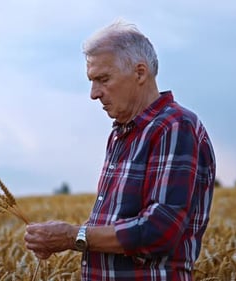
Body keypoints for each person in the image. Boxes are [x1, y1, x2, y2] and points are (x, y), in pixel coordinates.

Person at [24, 20, 216, 281]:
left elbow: (159, 230)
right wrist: (57, 238)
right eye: (92, 81)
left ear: (139, 73)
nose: (93, 94)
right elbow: (118, 224)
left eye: (103, 79)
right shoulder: (121, 133)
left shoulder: (174, 126)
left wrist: (72, 237)